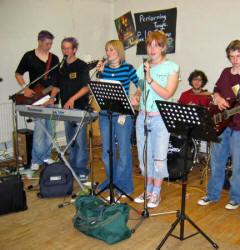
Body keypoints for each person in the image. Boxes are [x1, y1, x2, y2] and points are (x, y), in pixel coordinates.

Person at [197, 40, 240, 210]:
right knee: (217, 161)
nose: (235, 60)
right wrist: (218, 98)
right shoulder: (225, 72)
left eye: (238, 56)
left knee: (238, 164)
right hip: (222, 123)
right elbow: (216, 90)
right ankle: (212, 194)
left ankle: (237, 198)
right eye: (232, 57)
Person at [131, 31, 180, 208]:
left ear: (163, 47)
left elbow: (167, 94)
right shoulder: (143, 67)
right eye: (149, 45)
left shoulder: (172, 67)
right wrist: (136, 96)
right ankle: (148, 188)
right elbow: (140, 88)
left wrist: (150, 79)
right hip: (143, 117)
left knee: (158, 158)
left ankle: (156, 193)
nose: (152, 49)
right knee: (144, 158)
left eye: (156, 45)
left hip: (160, 119)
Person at [96, 40, 139, 199]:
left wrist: (136, 95)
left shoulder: (128, 68)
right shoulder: (104, 68)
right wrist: (99, 73)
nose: (108, 53)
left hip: (122, 115)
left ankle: (124, 185)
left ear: (119, 51)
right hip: (105, 114)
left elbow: (140, 83)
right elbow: (100, 89)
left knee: (124, 152)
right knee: (107, 152)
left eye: (111, 50)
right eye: (107, 50)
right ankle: (111, 180)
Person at [45, 37, 90, 182]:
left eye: (68, 48)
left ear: (75, 49)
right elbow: (56, 86)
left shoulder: (82, 66)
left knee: (80, 141)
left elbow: (86, 87)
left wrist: (73, 99)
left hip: (79, 108)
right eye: (63, 48)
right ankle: (72, 168)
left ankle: (82, 170)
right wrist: (52, 98)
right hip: (65, 109)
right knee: (70, 141)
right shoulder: (61, 67)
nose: (65, 51)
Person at [15, 30, 59, 170]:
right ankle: (36, 159)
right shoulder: (29, 56)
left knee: (50, 131)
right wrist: (25, 88)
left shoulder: (55, 59)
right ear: (39, 41)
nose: (49, 46)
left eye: (51, 44)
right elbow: (18, 73)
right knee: (39, 130)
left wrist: (52, 97)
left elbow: (58, 81)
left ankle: (46, 156)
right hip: (37, 100)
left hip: (51, 99)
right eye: (47, 44)